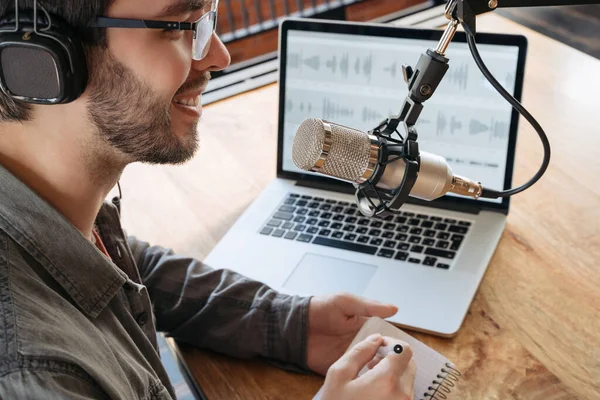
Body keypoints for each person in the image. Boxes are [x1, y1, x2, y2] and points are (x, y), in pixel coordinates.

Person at [0, 0, 416, 398]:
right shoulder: (38, 375)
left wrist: (288, 323)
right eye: (175, 26)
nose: (219, 56)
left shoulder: (54, 210)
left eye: (207, 18)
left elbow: (123, 267)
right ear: (38, 58)